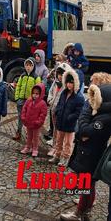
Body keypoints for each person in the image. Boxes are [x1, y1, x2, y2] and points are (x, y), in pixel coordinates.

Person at [61, 84, 111, 220]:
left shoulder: (105, 118)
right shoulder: (100, 112)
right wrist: (85, 121)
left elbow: (84, 130)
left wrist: (85, 116)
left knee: (86, 184)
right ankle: (85, 210)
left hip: (90, 156)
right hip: (87, 153)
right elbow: (81, 131)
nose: (91, 101)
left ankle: (80, 212)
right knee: (89, 184)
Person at [49, 68, 84, 167]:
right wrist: (57, 112)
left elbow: (78, 112)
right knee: (59, 141)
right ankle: (57, 155)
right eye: (68, 82)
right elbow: (60, 104)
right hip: (60, 121)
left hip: (70, 124)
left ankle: (65, 158)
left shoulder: (79, 98)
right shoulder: (64, 93)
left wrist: (70, 117)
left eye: (71, 83)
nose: (69, 85)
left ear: (75, 83)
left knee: (68, 143)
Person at [46, 63, 73, 156]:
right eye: (59, 74)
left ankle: (59, 150)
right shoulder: (55, 83)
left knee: (60, 133)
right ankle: (54, 147)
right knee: (54, 131)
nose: (60, 76)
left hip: (61, 113)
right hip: (53, 110)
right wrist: (49, 100)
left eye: (63, 74)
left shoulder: (67, 87)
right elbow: (50, 92)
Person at [13, 58, 41, 141]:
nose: (28, 67)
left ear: (33, 66)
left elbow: (38, 90)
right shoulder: (22, 75)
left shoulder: (36, 77)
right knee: (20, 117)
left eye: (30, 65)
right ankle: (18, 132)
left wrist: (34, 101)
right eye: (27, 65)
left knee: (29, 118)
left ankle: (29, 135)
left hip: (30, 101)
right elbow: (18, 86)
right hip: (21, 100)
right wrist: (17, 97)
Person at [44, 54, 68, 141]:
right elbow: (51, 89)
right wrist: (49, 99)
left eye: (59, 60)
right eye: (56, 60)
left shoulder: (65, 73)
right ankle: (52, 134)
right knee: (52, 119)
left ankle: (56, 139)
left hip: (59, 107)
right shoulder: (55, 75)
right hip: (52, 104)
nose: (57, 62)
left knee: (58, 125)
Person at [20, 83, 47, 157]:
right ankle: (28, 147)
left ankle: (35, 149)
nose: (35, 95)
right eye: (33, 93)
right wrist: (23, 117)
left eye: (37, 94)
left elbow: (43, 114)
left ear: (41, 94)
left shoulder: (42, 103)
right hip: (28, 122)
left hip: (36, 124)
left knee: (35, 137)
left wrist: (38, 122)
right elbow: (24, 109)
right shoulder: (29, 100)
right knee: (28, 136)